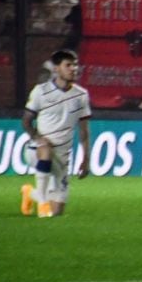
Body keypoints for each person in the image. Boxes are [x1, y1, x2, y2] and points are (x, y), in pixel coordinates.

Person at [20, 49, 91, 218]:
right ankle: (43, 203)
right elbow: (26, 121)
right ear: (57, 69)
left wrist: (86, 160)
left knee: (57, 212)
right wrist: (38, 138)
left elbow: (84, 131)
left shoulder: (81, 95)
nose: (73, 68)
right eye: (68, 65)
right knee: (46, 149)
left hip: (62, 157)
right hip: (37, 150)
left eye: (75, 65)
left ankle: (30, 193)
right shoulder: (41, 91)